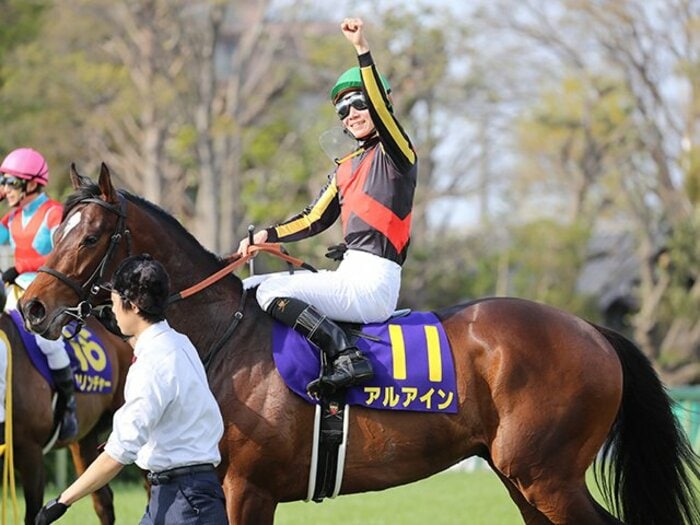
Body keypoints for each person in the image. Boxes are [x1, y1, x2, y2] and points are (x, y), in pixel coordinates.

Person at [238, 17, 418, 396]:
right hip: (351, 275)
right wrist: (263, 236)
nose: (351, 114)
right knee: (251, 286)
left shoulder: (395, 152)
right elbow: (313, 219)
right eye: (343, 111)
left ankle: (345, 355)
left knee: (269, 294)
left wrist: (361, 49)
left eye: (358, 104)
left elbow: (384, 115)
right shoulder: (345, 168)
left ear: (379, 104)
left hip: (373, 285)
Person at [35, 254, 226, 525]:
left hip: (185, 502)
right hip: (179, 494)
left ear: (134, 306)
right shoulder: (179, 342)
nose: (112, 311)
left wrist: (61, 502)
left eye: (113, 304)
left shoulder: (151, 364)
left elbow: (118, 453)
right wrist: (124, 330)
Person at [0, 147, 78, 440]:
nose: (5, 188)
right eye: (3, 181)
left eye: (10, 181)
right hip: (16, 291)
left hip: (49, 294)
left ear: (31, 183)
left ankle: (68, 405)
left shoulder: (53, 213)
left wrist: (19, 265)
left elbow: (63, 254)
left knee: (47, 343)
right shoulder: (13, 217)